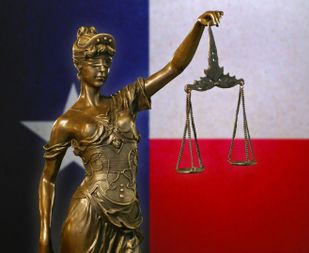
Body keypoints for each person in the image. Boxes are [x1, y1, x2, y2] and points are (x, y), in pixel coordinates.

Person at [38, 10, 223, 253]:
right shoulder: (68, 122)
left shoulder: (126, 101)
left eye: (106, 63)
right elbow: (47, 179)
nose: (102, 68)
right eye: (95, 63)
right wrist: (44, 235)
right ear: (80, 67)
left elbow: (174, 67)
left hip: (128, 216)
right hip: (89, 212)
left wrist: (198, 27)